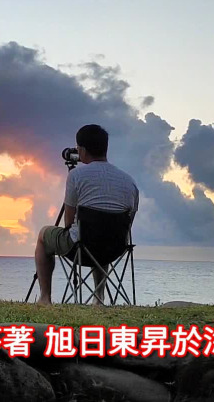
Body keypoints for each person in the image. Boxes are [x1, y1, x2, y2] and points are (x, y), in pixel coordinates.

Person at [35, 124, 139, 305]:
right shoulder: (129, 181)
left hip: (81, 247)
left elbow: (68, 222)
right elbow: (128, 223)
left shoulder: (76, 175)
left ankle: (45, 298)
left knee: (44, 234)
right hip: (114, 249)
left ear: (81, 150)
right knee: (104, 233)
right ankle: (99, 298)